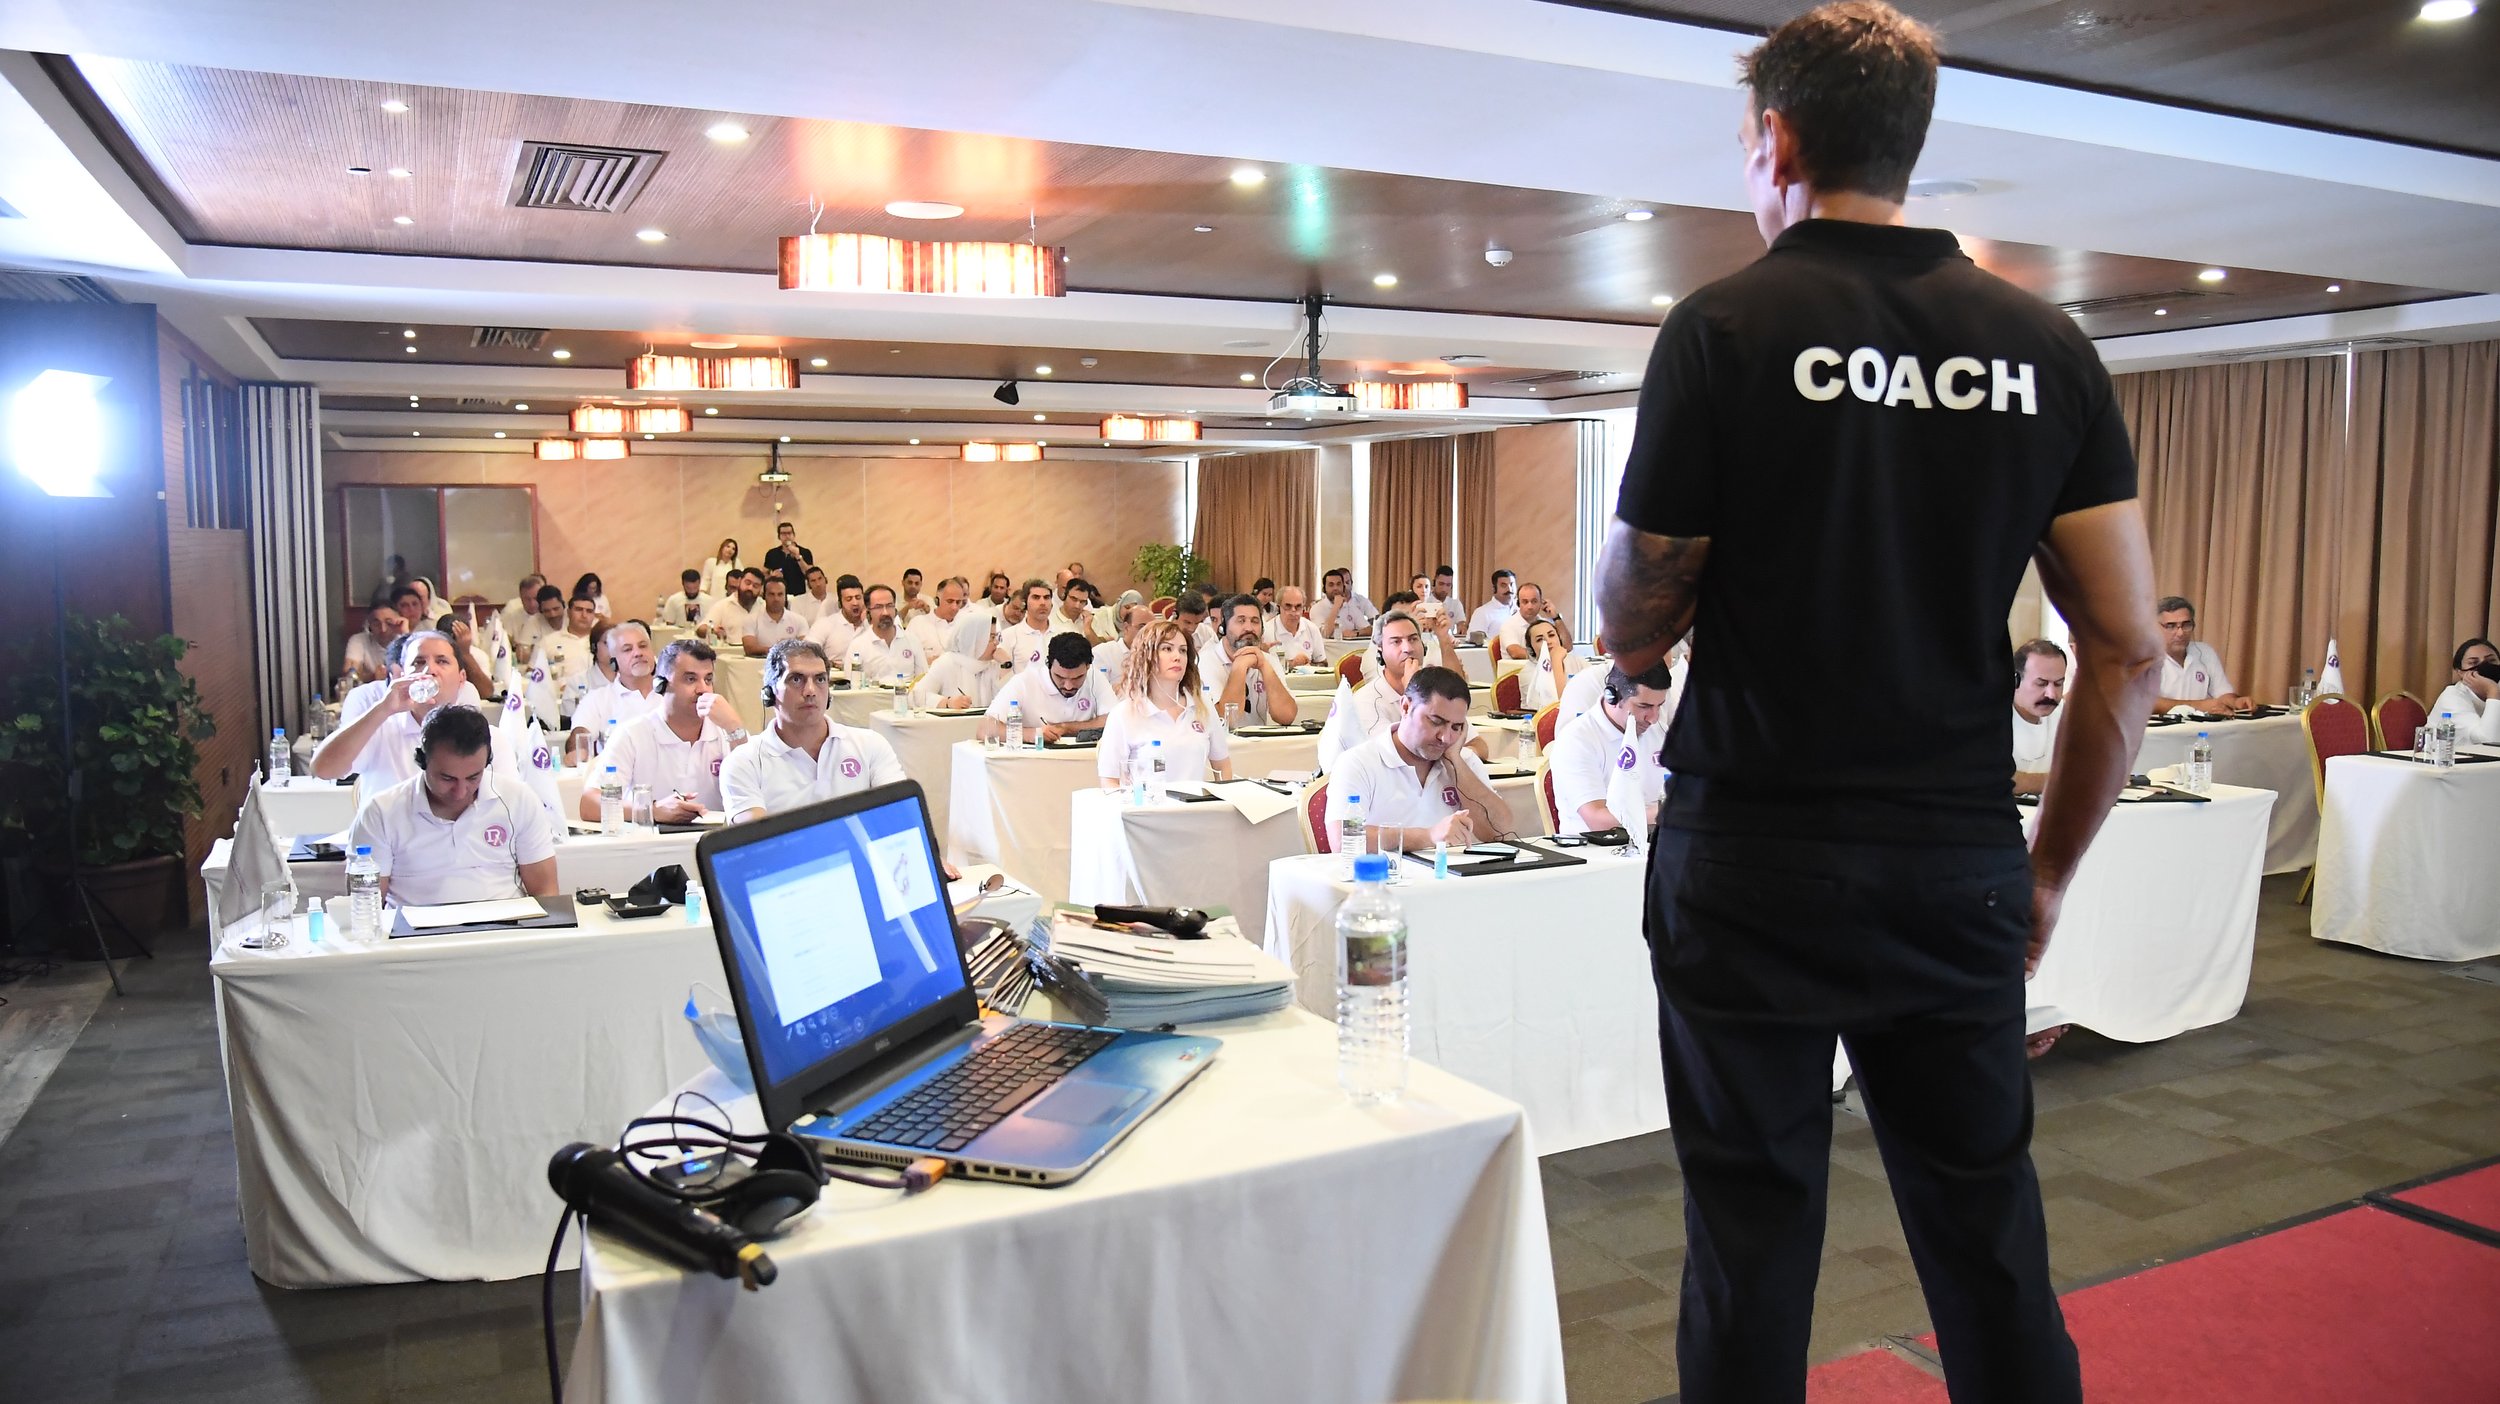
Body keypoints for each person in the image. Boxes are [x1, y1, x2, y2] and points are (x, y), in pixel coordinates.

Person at [1594, 7, 2159, 1397]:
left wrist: (1640, 632)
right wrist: (2047, 871)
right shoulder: (2042, 344)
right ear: (1910, 147)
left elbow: (1639, 613)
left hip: (1753, 856)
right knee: (1985, 1231)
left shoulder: (1723, 327)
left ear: (1775, 141)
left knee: (1751, 1234)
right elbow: (2129, 651)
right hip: (1951, 854)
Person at [346, 705, 558, 907]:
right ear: (422, 760)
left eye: (474, 777)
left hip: (504, 933)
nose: (461, 791)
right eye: (447, 778)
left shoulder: (518, 800)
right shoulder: (382, 812)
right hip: (414, 938)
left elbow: (546, 894)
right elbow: (364, 906)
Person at [1324, 666, 1512, 851]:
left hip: (1454, 878)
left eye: (1456, 728)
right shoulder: (1358, 762)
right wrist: (1429, 836)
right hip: (1386, 878)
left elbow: (1501, 833)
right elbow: (1343, 840)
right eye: (1436, 722)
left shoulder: (1464, 760)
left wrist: (1455, 763)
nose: (1445, 737)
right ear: (1406, 707)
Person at [718, 640, 908, 820]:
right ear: (769, 693)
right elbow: (756, 842)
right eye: (796, 679)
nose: (810, 690)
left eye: (820, 679)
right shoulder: (744, 762)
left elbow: (902, 817)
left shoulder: (870, 745)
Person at [582, 638, 748, 822]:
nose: (703, 689)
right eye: (690, 679)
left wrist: (735, 728)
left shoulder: (727, 731)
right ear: (660, 684)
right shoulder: (632, 734)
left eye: (708, 679)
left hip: (715, 843)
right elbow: (589, 805)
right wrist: (652, 811)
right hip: (654, 845)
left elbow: (756, 794)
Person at [311, 630, 482, 787]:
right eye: (419, 662)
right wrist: (384, 708)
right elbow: (323, 770)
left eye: (442, 661)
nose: (430, 670)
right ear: (401, 675)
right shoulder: (381, 729)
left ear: (462, 678)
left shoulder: (481, 735)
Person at [1318, 609, 1465, 770]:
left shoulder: (1435, 695)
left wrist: (1444, 639)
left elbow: (1478, 746)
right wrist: (1414, 693)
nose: (1407, 648)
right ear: (1380, 650)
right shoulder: (1367, 701)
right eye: (1396, 642)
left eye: (1413, 639)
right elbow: (1401, 756)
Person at [1095, 619, 1234, 789]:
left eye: (1182, 651)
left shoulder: (1202, 705)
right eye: (1167, 649)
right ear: (1146, 656)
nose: (1177, 657)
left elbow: (1222, 765)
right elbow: (1110, 781)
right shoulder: (1123, 713)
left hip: (1196, 811)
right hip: (1147, 811)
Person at [1548, 661, 1672, 835]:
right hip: (1596, 855)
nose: (1653, 718)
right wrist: (1669, 812)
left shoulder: (1659, 732)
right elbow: (1598, 820)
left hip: (1654, 847)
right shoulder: (1576, 740)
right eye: (1644, 706)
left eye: (1660, 706)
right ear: (1612, 696)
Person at [980, 632, 1115, 742]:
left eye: (1077, 678)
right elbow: (984, 729)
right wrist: (1032, 734)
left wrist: (1065, 728)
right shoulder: (1024, 682)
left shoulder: (1094, 676)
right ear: (1048, 665)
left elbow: (1114, 721)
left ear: (1088, 667)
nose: (1068, 686)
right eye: (1060, 677)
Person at [1203, 594, 1299, 726]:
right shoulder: (1205, 661)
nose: (1249, 628)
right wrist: (1239, 667)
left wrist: (1265, 667)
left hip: (1260, 745)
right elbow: (1227, 722)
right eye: (1241, 621)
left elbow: (1287, 717)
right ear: (1224, 627)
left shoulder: (1268, 660)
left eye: (1255, 621)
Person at [572, 619, 666, 747]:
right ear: (613, 662)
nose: (638, 653)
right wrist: (579, 749)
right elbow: (580, 734)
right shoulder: (597, 699)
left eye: (643, 646)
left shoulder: (674, 693)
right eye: (627, 649)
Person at [2153, 596, 2251, 714]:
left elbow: (2222, 693)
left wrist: (2236, 702)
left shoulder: (2205, 652)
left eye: (2186, 625)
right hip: (2158, 731)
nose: (2180, 633)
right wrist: (2199, 706)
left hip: (2200, 729)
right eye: (2171, 626)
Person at [912, 609, 1008, 709]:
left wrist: (1007, 665)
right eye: (992, 638)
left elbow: (1011, 702)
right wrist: (947, 702)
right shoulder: (948, 662)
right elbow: (917, 695)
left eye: (996, 637)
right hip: (954, 724)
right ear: (974, 639)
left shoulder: (995, 664)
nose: (996, 643)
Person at [2010, 639, 2067, 796]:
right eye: (2041, 684)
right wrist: (2060, 782)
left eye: (2058, 684)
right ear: (2015, 681)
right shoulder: (1987, 716)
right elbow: (1995, 780)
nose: (2051, 694)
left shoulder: (2064, 714)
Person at [844, 583, 929, 685]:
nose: (885, 613)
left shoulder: (912, 641)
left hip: (906, 698)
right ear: (868, 611)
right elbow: (851, 688)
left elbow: (924, 681)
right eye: (878, 607)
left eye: (889, 606)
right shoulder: (857, 645)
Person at [2434, 637, 2500, 746]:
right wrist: (2492, 692)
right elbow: (2488, 741)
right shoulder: (2452, 696)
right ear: (2460, 672)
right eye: (2473, 663)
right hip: (2446, 760)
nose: (2485, 666)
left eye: (2491, 661)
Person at [998, 579, 1063, 673]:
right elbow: (1002, 677)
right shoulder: (1008, 635)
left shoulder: (1063, 635)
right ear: (1025, 603)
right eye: (1036, 597)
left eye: (1046, 597)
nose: (1042, 603)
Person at [803, 574, 867, 662]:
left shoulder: (871, 625)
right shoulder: (825, 624)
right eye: (849, 599)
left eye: (858, 597)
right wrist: (829, 663)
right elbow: (806, 653)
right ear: (840, 602)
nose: (855, 603)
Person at [1514, 617, 1573, 712]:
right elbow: (1555, 706)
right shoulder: (1528, 673)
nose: (1548, 642)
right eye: (1540, 640)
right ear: (1531, 648)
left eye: (1551, 635)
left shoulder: (1577, 661)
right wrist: (1556, 660)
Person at [740, 575, 808, 657]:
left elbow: (805, 648)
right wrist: (781, 650)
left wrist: (772, 650)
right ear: (764, 596)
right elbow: (749, 648)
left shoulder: (799, 620)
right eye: (771, 594)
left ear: (785, 596)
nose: (776, 599)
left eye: (780, 594)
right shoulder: (751, 620)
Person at [906, 574, 972, 658]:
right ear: (937, 600)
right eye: (950, 601)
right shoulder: (918, 624)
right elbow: (906, 659)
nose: (954, 607)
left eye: (958, 602)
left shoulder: (966, 624)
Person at [1495, 581, 1559, 659]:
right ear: (1518, 604)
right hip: (1517, 670)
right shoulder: (1508, 625)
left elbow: (1567, 647)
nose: (1530, 607)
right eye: (1525, 602)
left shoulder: (1544, 624)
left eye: (1534, 601)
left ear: (1541, 603)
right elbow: (1515, 653)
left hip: (1541, 668)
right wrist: (1548, 656)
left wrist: (1556, 617)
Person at [1264, 586, 1325, 666]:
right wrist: (1292, 664)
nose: (1293, 611)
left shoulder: (1312, 628)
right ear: (1279, 607)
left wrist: (1309, 666)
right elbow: (1263, 667)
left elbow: (1323, 663)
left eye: (1298, 606)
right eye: (1288, 606)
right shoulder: (1267, 630)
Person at [343, 605, 403, 683]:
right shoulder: (359, 640)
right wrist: (372, 676)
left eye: (389, 623)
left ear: (398, 622)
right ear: (369, 625)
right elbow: (349, 673)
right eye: (376, 624)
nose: (383, 629)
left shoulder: (406, 640)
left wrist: (405, 633)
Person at [1316, 567, 1377, 640]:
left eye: (1339, 584)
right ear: (1324, 588)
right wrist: (1336, 607)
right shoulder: (1317, 608)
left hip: (1351, 649)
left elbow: (1369, 629)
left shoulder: (1350, 606)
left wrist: (1356, 633)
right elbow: (1325, 634)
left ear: (1343, 587)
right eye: (1331, 585)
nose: (1335, 588)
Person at [762, 520, 814, 600]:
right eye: (783, 534)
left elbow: (810, 574)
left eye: (789, 533)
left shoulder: (805, 552)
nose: (787, 536)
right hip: (778, 595)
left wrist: (798, 557)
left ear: (794, 535)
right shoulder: (771, 553)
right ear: (779, 537)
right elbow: (764, 574)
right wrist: (772, 576)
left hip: (799, 595)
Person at [1468, 570, 1519, 641]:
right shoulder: (1482, 612)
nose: (1509, 589)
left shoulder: (1522, 609)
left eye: (1512, 584)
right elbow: (1474, 643)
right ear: (1494, 589)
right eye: (1503, 585)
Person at [500, 573, 548, 649]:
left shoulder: (549, 615)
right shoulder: (512, 617)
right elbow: (505, 643)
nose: (532, 604)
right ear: (521, 598)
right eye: (527, 599)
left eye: (535, 598)